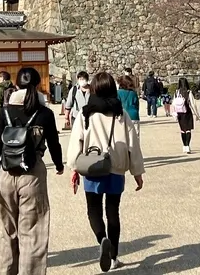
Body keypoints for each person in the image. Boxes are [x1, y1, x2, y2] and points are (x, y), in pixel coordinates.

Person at [0, 67, 64, 275]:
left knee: (8, 230)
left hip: (6, 173)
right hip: (32, 173)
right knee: (33, 231)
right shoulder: (44, 113)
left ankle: (6, 271)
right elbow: (54, 143)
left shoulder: (5, 112)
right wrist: (59, 165)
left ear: (16, 86)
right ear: (37, 86)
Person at [66, 71, 145, 273]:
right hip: (116, 167)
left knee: (93, 210)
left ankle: (102, 239)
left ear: (93, 89)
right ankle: (115, 255)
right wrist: (137, 171)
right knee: (113, 212)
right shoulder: (121, 114)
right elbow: (132, 144)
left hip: (92, 167)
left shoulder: (86, 114)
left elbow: (76, 143)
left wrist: (74, 168)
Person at [173, 77, 199, 153]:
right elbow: (193, 104)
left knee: (182, 130)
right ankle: (187, 145)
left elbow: (174, 103)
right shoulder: (188, 92)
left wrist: (174, 113)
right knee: (188, 130)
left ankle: (184, 146)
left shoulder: (176, 92)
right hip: (187, 112)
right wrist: (197, 114)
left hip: (179, 113)